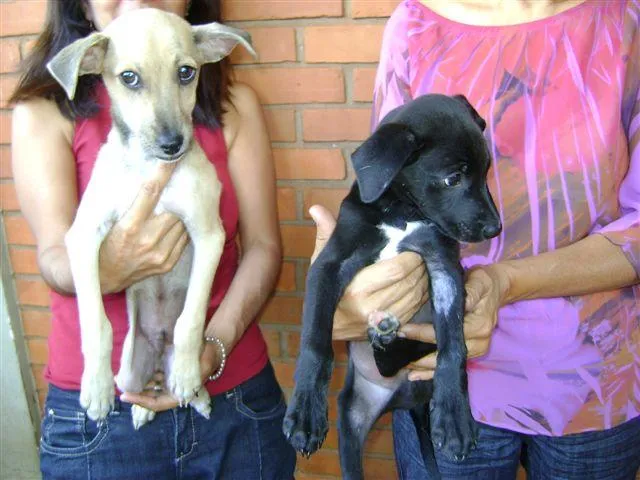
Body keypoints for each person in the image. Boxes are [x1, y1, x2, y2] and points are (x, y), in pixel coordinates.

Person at [309, 0, 640, 478]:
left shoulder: (626, 23)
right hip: (440, 379)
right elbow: (390, 196)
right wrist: (353, 288)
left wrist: (504, 282)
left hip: (592, 380)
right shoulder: (414, 28)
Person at [10, 0, 296, 478]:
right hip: (100, 411)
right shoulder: (42, 111)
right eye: (131, 78)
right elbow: (57, 253)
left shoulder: (235, 105)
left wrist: (209, 347)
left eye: (183, 74)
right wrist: (112, 268)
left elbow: (263, 247)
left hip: (234, 395)